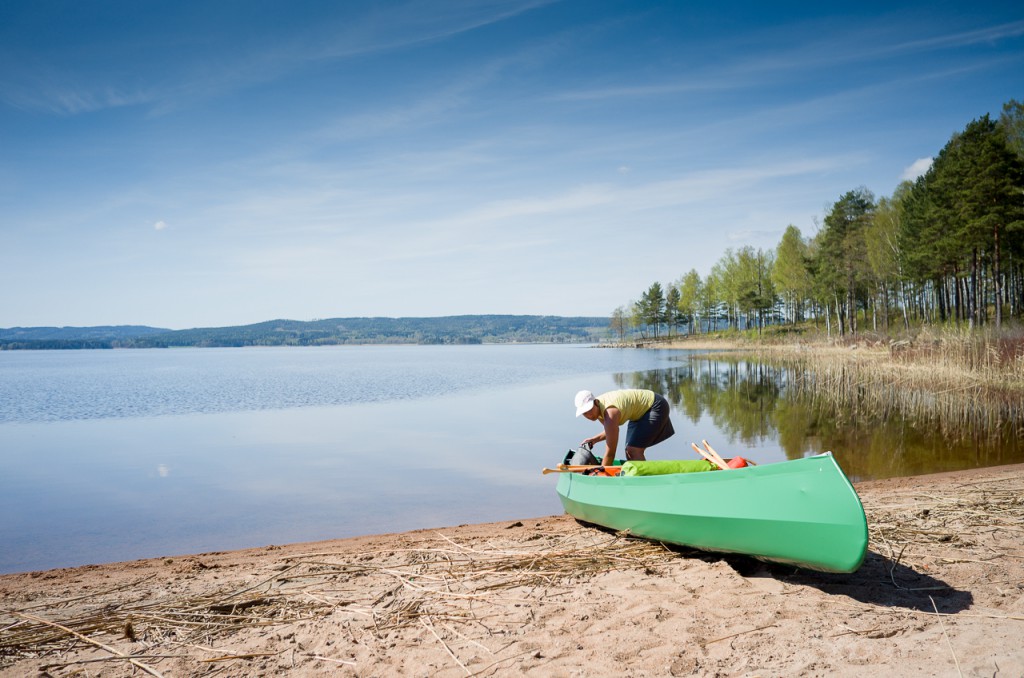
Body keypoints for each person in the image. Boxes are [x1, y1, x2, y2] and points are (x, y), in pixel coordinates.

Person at [574, 388, 675, 467]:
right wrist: (594, 440)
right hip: (638, 413)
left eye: (590, 410)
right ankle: (640, 477)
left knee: (633, 450)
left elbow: (610, 453)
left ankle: (645, 482)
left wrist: (602, 475)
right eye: (585, 413)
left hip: (654, 406)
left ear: (596, 402)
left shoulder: (610, 413)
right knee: (629, 452)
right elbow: (610, 432)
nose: (589, 415)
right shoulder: (599, 409)